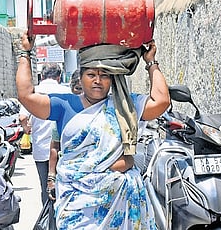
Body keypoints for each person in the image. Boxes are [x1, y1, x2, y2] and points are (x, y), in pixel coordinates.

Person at [16, 34, 170, 229]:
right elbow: (25, 95)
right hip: (76, 206)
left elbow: (161, 102)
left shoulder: (123, 105)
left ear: (112, 79)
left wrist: (151, 62)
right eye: (91, 75)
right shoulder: (64, 105)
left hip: (118, 203)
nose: (98, 81)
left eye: (104, 75)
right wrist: (25, 52)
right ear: (80, 77)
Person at [26, 62, 71, 205]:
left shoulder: (33, 92)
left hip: (40, 148)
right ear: (58, 77)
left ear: (42, 76)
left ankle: (47, 219)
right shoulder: (67, 92)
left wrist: (27, 129)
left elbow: (22, 118)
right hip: (62, 149)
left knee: (45, 186)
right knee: (64, 185)